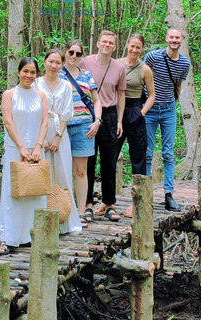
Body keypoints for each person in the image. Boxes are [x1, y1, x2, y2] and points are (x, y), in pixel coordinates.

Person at [0, 57, 49, 255]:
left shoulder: (40, 95)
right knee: (12, 194)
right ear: (18, 72)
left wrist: (37, 146)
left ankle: (28, 236)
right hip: (15, 148)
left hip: (36, 149)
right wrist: (21, 147)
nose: (29, 75)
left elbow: (45, 122)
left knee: (35, 192)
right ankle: (8, 238)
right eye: (25, 71)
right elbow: (8, 122)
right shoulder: (9, 95)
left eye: (33, 72)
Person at [79, 30, 126, 222]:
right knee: (88, 159)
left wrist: (120, 120)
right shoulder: (85, 63)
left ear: (115, 46)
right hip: (87, 114)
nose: (107, 45)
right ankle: (88, 204)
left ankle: (109, 203)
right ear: (97, 43)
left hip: (109, 114)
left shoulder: (119, 67)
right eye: (104, 42)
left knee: (109, 161)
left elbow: (121, 94)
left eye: (111, 43)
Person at [34, 49, 83, 235]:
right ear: (44, 62)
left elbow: (66, 114)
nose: (54, 66)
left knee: (62, 175)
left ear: (62, 65)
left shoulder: (65, 86)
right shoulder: (36, 84)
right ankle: (42, 221)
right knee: (41, 176)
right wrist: (42, 138)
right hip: (40, 133)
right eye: (51, 62)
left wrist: (57, 137)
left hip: (60, 135)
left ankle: (66, 220)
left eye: (57, 63)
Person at [143, 27, 191, 212]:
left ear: (181, 40)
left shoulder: (184, 63)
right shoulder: (153, 57)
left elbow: (178, 85)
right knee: (147, 152)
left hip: (169, 110)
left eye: (177, 37)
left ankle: (168, 195)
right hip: (150, 110)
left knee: (168, 153)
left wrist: (173, 103)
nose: (174, 40)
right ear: (166, 39)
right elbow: (142, 78)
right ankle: (146, 194)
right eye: (171, 37)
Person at [59, 40, 102, 225]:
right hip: (61, 127)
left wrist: (97, 121)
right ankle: (63, 212)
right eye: (71, 52)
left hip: (84, 127)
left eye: (78, 53)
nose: (74, 56)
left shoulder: (86, 75)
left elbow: (96, 100)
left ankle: (81, 210)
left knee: (81, 171)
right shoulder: (57, 74)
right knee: (61, 171)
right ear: (65, 52)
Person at [117, 33, 156, 218]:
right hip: (115, 110)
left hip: (134, 109)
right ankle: (107, 202)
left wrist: (140, 113)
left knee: (138, 157)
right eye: (132, 46)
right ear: (127, 45)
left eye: (138, 47)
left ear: (142, 49)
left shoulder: (145, 69)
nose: (134, 50)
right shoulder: (116, 64)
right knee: (110, 156)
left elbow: (152, 95)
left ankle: (137, 202)